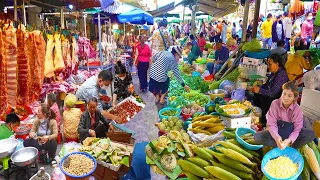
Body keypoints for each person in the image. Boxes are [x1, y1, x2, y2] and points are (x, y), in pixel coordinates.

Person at [254, 81, 315, 149]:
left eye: (289, 96)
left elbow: (297, 129)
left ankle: (290, 146)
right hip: (278, 130)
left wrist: (289, 140)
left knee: (310, 134)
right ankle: (280, 144)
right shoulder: (275, 104)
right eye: (284, 93)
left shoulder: (297, 109)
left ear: (294, 98)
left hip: (290, 131)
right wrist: (277, 137)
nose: (285, 98)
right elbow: (271, 124)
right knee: (257, 137)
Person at [250, 54, 289, 126]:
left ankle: (264, 122)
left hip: (278, 101)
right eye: (268, 64)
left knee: (265, 97)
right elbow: (266, 85)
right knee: (257, 95)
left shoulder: (281, 76)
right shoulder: (274, 73)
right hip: (271, 98)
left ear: (277, 64)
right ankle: (258, 116)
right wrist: (259, 87)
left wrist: (260, 90)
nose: (268, 66)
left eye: (270, 64)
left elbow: (273, 93)